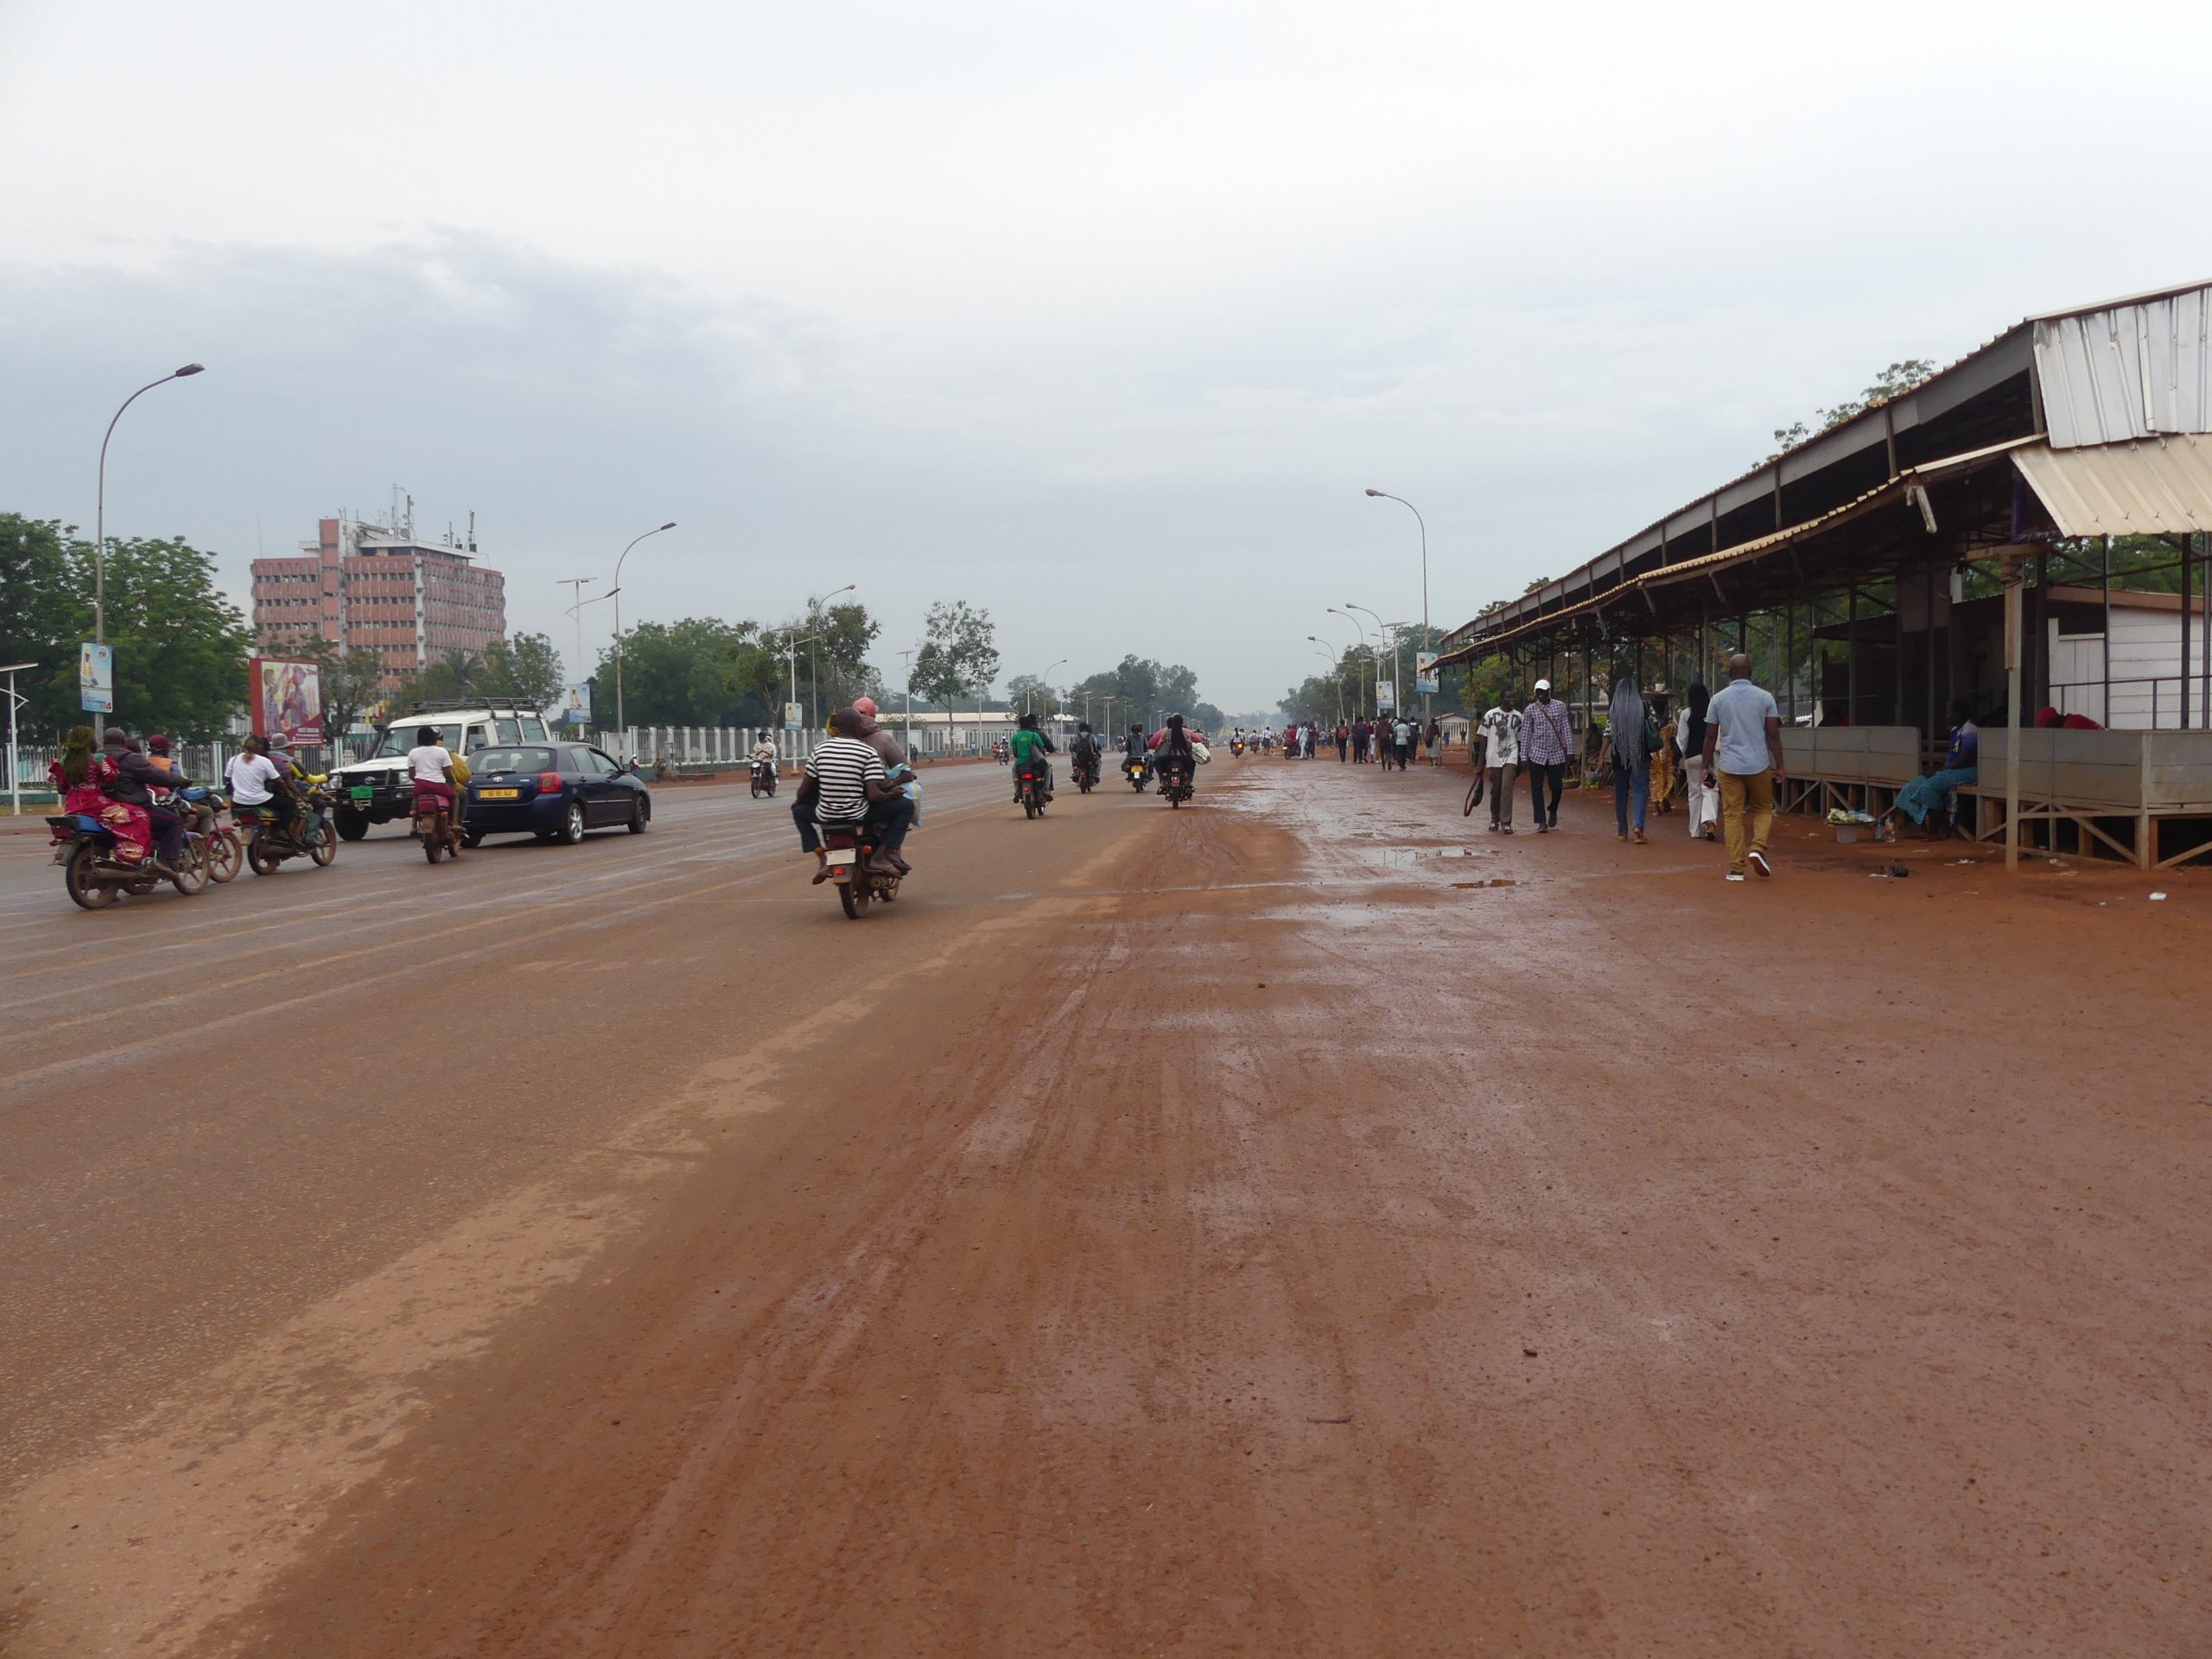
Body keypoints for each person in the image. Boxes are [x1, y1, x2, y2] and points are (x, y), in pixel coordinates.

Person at [1700, 652, 1784, 881]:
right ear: (1751, 672)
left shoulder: (1717, 699)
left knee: (1732, 815)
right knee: (1764, 808)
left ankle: (1736, 868)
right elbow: (1773, 734)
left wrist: (1705, 765)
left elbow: (1710, 736)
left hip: (1729, 765)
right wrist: (1780, 766)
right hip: (1758, 764)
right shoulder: (1765, 698)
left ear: (1729, 674)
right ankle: (1757, 848)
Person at [806, 709, 914, 877]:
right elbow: (875, 793)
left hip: (827, 813)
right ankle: (882, 855)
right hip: (860, 811)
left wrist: (806, 802)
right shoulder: (870, 749)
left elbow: (808, 787)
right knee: (906, 806)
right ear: (858, 726)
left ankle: (822, 860)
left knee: (799, 811)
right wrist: (891, 793)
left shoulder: (820, 749)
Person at [51, 724, 152, 867]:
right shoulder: (97, 759)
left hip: (72, 806)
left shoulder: (62, 762)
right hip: (95, 804)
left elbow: (62, 788)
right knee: (140, 815)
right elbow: (112, 778)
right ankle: (130, 857)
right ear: (90, 742)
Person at [100, 728, 186, 871]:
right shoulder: (131, 758)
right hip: (133, 805)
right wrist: (180, 781)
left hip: (103, 807)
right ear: (123, 742)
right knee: (175, 822)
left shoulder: (95, 758)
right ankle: (168, 864)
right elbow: (157, 775)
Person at [1891, 699, 1979, 838]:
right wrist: (1935, 768)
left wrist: (1942, 770)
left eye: (1950, 713)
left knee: (1927, 789)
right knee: (1909, 788)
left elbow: (1965, 759)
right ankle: (1921, 827)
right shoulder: (1955, 730)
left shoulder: (1970, 730)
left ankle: (1942, 825)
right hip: (1951, 770)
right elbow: (1951, 757)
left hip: (1968, 772)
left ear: (1959, 714)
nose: (1948, 716)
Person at [1599, 675, 1652, 843]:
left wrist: (1601, 756)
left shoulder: (1614, 710)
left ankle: (1622, 831)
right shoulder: (1643, 707)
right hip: (1640, 755)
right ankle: (1638, 826)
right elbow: (1652, 728)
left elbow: (1608, 734)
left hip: (1619, 756)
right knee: (1640, 790)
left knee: (1620, 793)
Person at [1520, 679, 1573, 833]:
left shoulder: (1560, 707)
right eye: (1538, 692)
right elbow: (1526, 733)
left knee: (1557, 786)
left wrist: (1570, 750)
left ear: (1549, 691)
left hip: (1555, 753)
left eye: (1543, 692)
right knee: (1536, 787)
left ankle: (1553, 808)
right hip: (1536, 753)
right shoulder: (1530, 710)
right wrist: (1524, 756)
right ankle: (1541, 821)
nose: (1540, 695)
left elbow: (1566, 729)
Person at [405, 725, 464, 850]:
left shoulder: (413, 752)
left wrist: (419, 781)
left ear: (418, 738)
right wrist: (452, 784)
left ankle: (414, 826)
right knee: (455, 797)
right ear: (434, 738)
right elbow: (447, 773)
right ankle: (454, 823)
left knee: (415, 796)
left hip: (421, 786)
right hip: (439, 786)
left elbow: (411, 774)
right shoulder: (442, 751)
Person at [1678, 682, 1719, 842]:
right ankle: (1710, 821)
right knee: (1710, 789)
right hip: (1711, 757)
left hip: (1692, 757)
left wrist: (1685, 753)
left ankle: (1695, 830)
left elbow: (1682, 739)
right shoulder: (1713, 712)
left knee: (1694, 793)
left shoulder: (1687, 713)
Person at [1475, 692, 1521, 832]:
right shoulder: (1490, 715)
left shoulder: (1519, 717)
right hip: (1493, 757)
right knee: (1496, 789)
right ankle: (1495, 818)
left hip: (1511, 756)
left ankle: (1506, 821)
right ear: (1501, 699)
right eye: (1508, 697)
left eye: (1513, 697)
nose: (1512, 700)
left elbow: (1520, 739)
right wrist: (1480, 763)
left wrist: (1520, 760)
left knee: (1507, 788)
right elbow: (1483, 739)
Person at [1007, 711, 1057, 800]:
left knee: (1014, 769)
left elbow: (1015, 753)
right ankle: (1046, 789)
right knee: (1048, 768)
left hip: (1021, 763)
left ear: (1020, 726)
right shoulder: (1035, 735)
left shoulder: (1015, 737)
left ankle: (1017, 791)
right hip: (1036, 763)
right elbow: (1042, 749)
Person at [1148, 713, 1198, 795]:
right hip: (1183, 758)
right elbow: (1189, 746)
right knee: (1192, 763)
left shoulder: (1166, 733)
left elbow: (1158, 745)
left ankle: (1164, 779)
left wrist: (1157, 751)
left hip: (1168, 758)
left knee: (1156, 762)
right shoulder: (1186, 733)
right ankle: (1188, 780)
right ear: (1181, 723)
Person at [1070, 721, 1102, 786]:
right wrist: (1098, 754)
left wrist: (1073, 751)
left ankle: (1075, 772)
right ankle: (1095, 774)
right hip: (1090, 757)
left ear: (1080, 729)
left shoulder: (1077, 736)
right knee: (1099, 761)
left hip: (1079, 757)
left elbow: (1072, 746)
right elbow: (1095, 746)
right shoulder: (1092, 736)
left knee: (1073, 758)